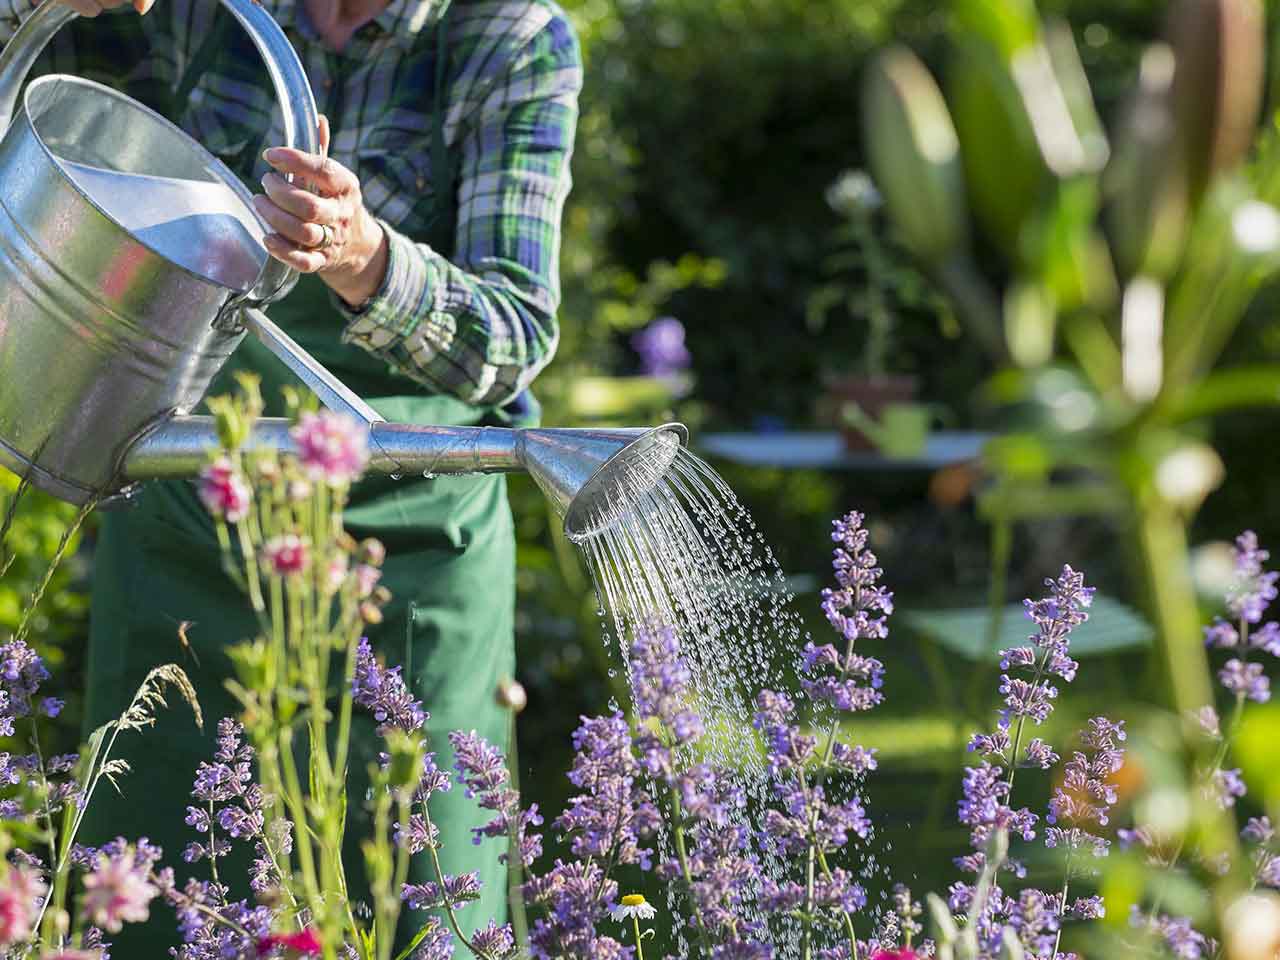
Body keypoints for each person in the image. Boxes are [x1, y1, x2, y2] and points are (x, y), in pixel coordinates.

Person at [0, 0, 581, 951]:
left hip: (409, 548)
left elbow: (512, 339)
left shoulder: (507, 35)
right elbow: (36, 94)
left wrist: (365, 257)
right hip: (190, 510)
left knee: (409, 900)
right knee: (156, 903)